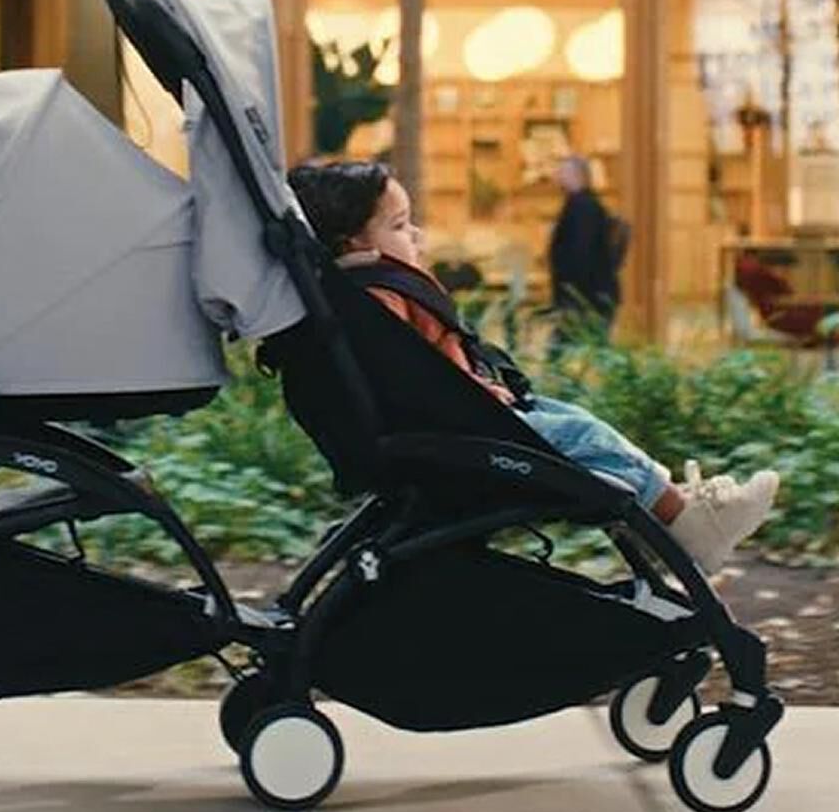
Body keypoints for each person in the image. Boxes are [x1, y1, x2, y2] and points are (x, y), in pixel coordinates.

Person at [287, 161, 779, 575]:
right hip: (470, 431)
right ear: (353, 245)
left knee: (584, 435)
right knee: (586, 439)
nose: (415, 234)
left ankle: (674, 510)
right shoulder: (377, 298)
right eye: (398, 226)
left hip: (474, 419)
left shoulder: (366, 295)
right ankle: (687, 522)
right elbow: (406, 372)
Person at [549, 154, 621, 339]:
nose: (557, 175)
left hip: (585, 298)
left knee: (559, 350)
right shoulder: (581, 203)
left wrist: (571, 294)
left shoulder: (583, 207)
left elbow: (582, 254)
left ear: (577, 175)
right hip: (584, 296)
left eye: (562, 172)